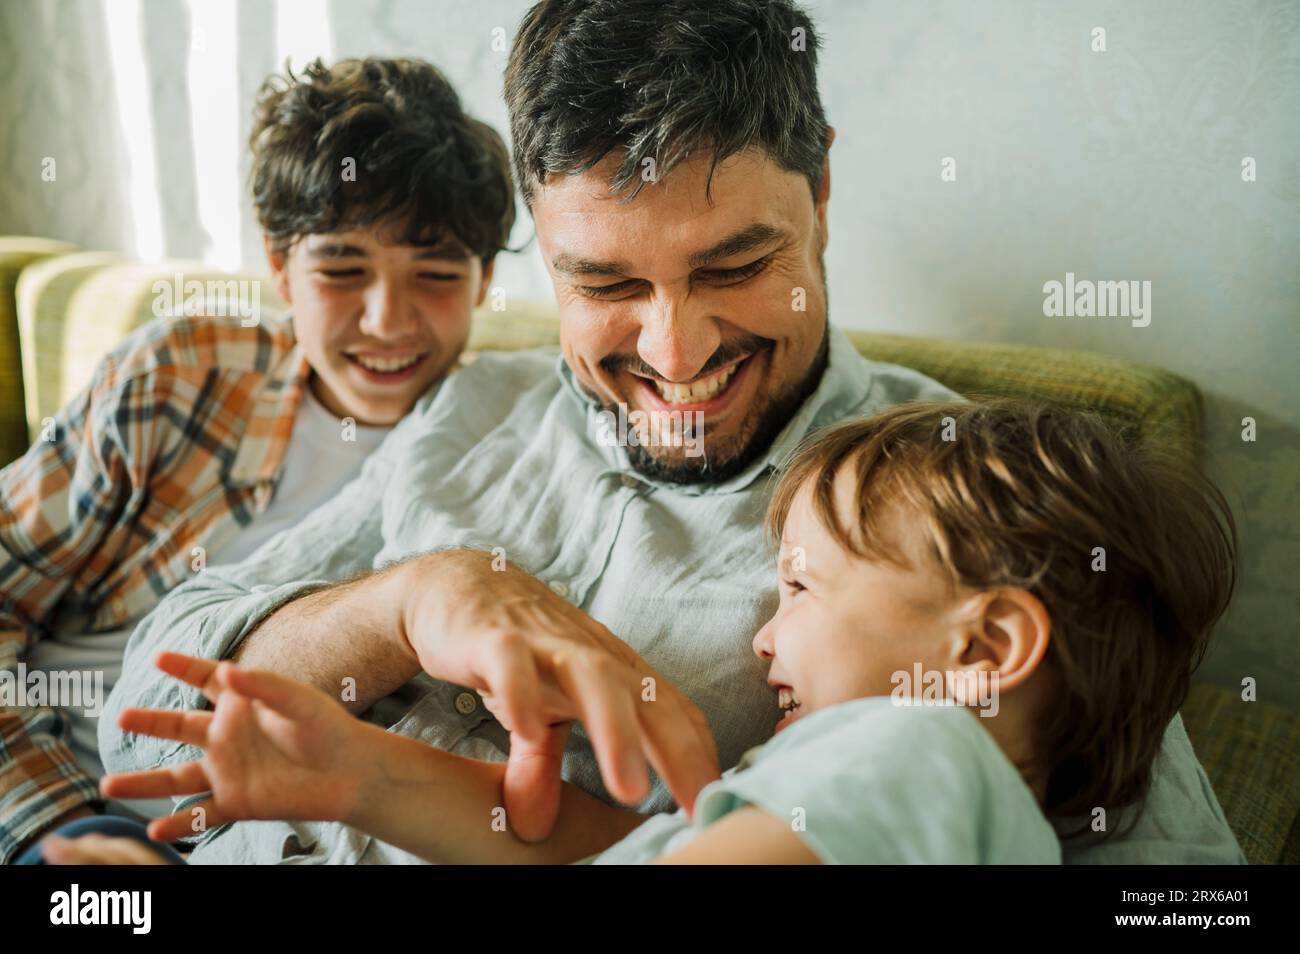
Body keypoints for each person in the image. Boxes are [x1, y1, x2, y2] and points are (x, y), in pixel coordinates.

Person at [98, 0, 1244, 865]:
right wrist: (409, 603)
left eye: (736, 266)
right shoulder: (476, 407)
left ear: (822, 188)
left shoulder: (953, 499)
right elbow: (147, 744)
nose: (676, 351)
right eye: (601, 283)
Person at [59, 399, 1236, 865]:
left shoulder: (913, 755)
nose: (765, 638)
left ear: (983, 652)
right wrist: (360, 769)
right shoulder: (851, 788)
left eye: (805, 589)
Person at [0, 56, 515, 863]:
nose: (387, 319)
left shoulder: (504, 445)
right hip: (51, 795)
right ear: (279, 268)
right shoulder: (182, 373)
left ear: (484, 283)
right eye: (342, 268)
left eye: (437, 274)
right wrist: (55, 830)